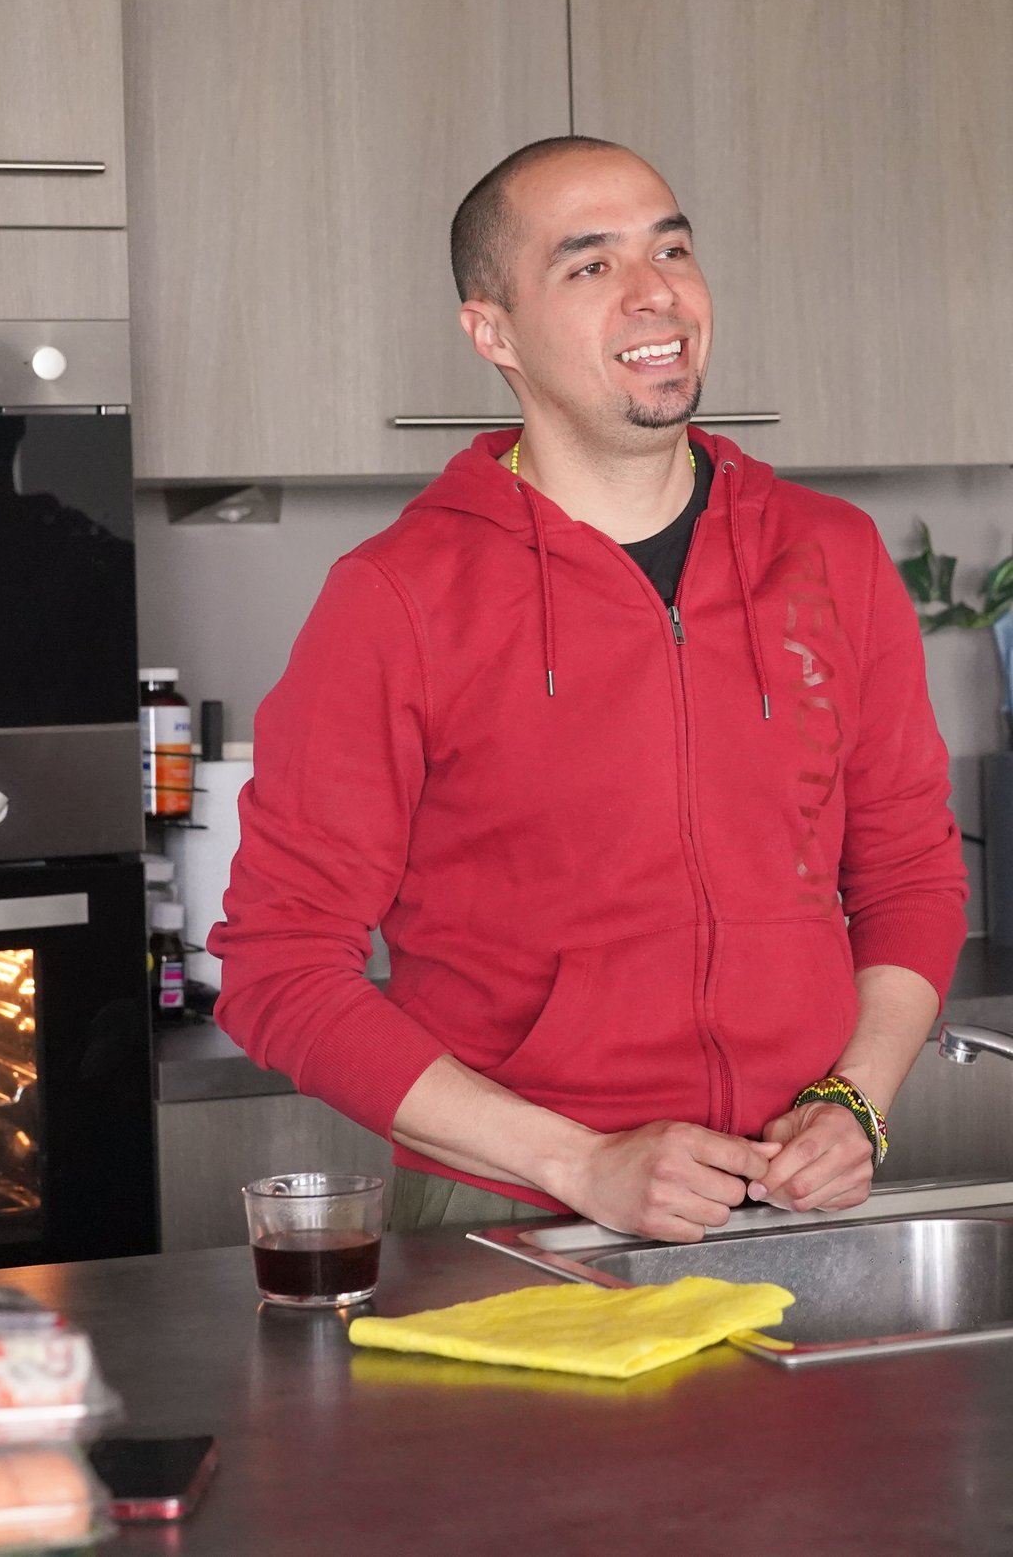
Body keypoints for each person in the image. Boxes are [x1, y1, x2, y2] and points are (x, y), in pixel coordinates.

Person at [209, 135, 968, 1244]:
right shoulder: (396, 599)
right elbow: (276, 969)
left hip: (792, 1201)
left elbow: (907, 869)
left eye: (669, 246)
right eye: (589, 265)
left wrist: (854, 1095)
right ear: (491, 331)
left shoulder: (826, 554)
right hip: (510, 1213)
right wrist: (585, 1163)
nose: (654, 291)